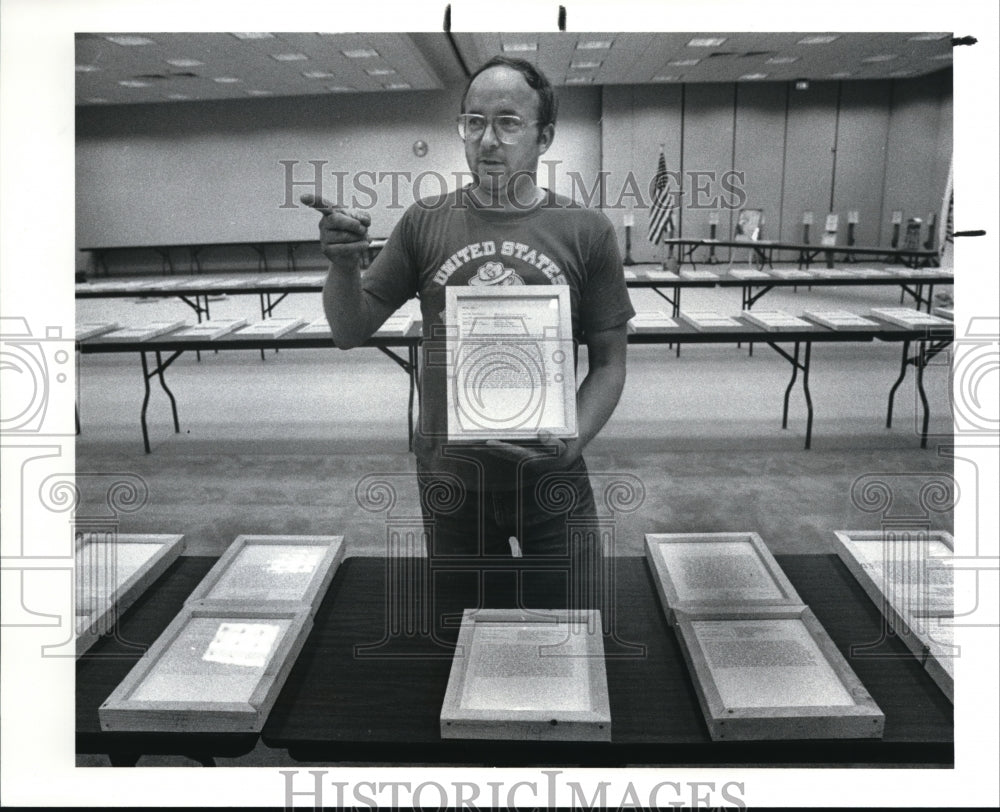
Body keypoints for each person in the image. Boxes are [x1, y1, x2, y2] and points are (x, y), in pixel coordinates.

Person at [304, 56, 634, 607]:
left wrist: (573, 443)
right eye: (473, 121)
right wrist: (343, 267)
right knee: (466, 627)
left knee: (573, 622)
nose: (487, 139)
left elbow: (610, 364)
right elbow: (349, 329)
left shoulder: (586, 231)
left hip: (551, 477)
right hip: (450, 480)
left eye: (508, 122)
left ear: (544, 135)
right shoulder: (424, 221)